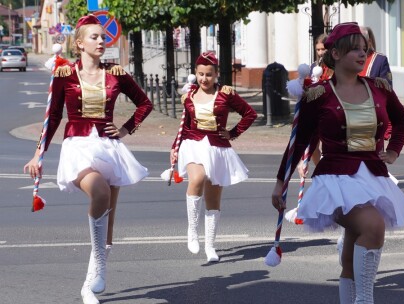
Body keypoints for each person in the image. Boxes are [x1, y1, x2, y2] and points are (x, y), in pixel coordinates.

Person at [272, 22, 404, 304]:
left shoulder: (380, 88)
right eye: (354, 50)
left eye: (365, 49)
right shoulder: (319, 94)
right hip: (334, 180)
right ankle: (365, 300)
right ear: (335, 54)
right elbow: (298, 143)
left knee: (350, 257)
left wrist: (394, 151)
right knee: (373, 226)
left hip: (373, 176)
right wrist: (280, 183)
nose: (362, 55)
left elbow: (401, 121)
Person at [23, 14, 153, 304]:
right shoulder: (65, 75)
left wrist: (125, 129)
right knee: (99, 191)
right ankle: (94, 275)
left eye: (103, 37)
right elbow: (53, 116)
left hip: (109, 147)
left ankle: (93, 278)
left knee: (108, 223)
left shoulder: (116, 74)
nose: (101, 41)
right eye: (94, 37)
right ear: (79, 43)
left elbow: (145, 103)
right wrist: (38, 153)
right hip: (78, 145)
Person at [170, 51, 257, 263]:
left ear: (216, 75)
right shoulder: (189, 95)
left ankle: (210, 245)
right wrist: (175, 147)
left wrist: (233, 133)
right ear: (195, 73)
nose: (204, 79)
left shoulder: (226, 94)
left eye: (209, 75)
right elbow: (185, 125)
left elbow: (250, 114)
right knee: (197, 178)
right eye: (200, 74)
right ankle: (192, 230)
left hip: (217, 147)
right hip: (193, 144)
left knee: (213, 199)